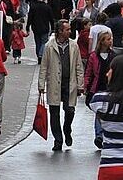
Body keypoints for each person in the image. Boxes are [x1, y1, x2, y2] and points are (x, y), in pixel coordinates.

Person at [39, 20, 85, 152]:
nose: (70, 31)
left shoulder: (73, 46)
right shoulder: (49, 46)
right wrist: (41, 84)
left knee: (70, 110)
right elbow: (44, 67)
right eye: (67, 29)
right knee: (54, 112)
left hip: (69, 83)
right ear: (59, 31)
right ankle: (58, 140)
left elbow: (78, 66)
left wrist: (80, 84)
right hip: (54, 82)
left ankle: (67, 129)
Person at [84, 31, 116, 148]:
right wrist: (85, 86)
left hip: (110, 88)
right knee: (99, 112)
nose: (110, 41)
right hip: (97, 88)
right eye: (108, 39)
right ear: (102, 41)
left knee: (107, 112)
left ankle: (106, 134)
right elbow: (88, 72)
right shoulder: (93, 56)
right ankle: (99, 135)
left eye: (110, 39)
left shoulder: (113, 56)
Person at [26, 0, 56, 64]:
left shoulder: (33, 7)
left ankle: (39, 55)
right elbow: (51, 18)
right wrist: (53, 28)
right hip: (45, 27)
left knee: (38, 42)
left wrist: (28, 27)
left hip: (35, 27)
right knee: (44, 42)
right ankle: (41, 54)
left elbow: (30, 18)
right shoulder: (47, 7)